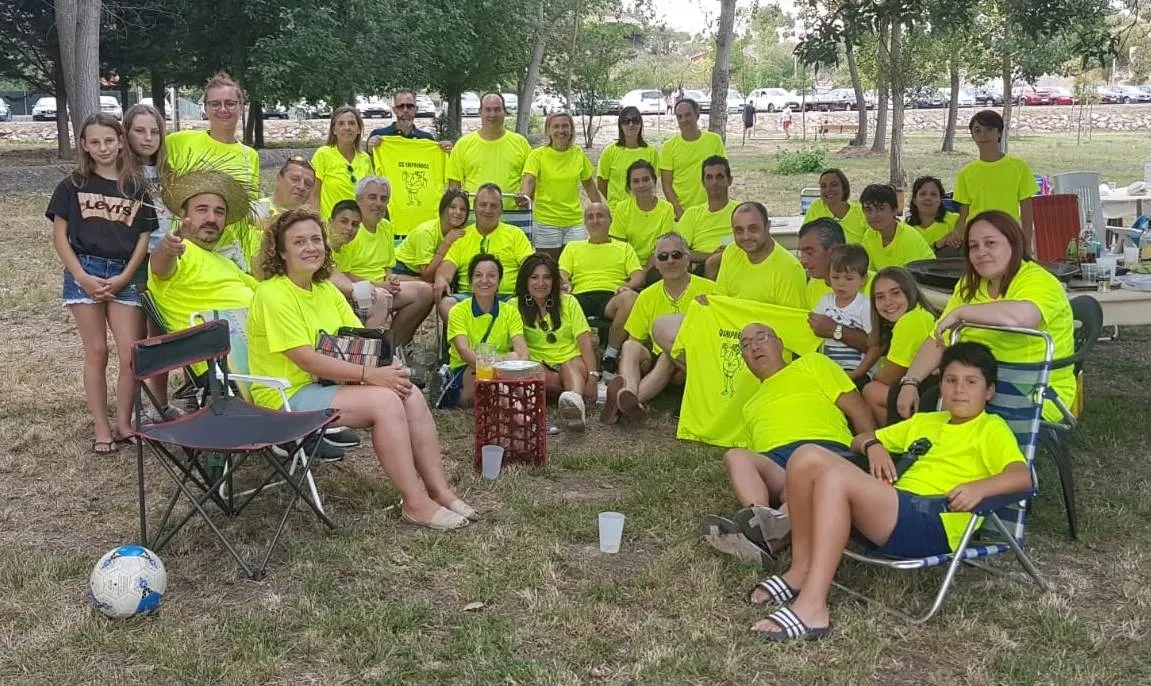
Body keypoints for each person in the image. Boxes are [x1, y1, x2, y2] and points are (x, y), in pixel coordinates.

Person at [745, 342, 1031, 642]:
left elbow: (1022, 477)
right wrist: (873, 446)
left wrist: (981, 487)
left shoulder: (990, 429)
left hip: (933, 521)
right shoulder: (925, 421)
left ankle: (813, 607)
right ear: (941, 385)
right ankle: (800, 570)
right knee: (805, 456)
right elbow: (860, 439)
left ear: (989, 391)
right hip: (895, 509)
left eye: (971, 382)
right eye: (951, 380)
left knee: (835, 477)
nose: (959, 390)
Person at [247, 208, 476, 530]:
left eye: (316, 239)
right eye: (299, 242)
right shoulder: (272, 293)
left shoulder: (325, 289)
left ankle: (440, 491)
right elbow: (305, 359)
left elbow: (359, 341)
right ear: (281, 251)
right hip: (287, 394)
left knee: (407, 391)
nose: (311, 247)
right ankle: (416, 504)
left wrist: (388, 365)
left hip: (326, 382)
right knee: (385, 401)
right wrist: (372, 376)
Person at [708, 323, 876, 562]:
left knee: (797, 489)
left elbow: (858, 410)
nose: (754, 347)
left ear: (779, 344)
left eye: (761, 338)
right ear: (744, 359)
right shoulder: (750, 405)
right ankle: (760, 517)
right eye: (745, 345)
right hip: (777, 461)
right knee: (736, 456)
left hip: (822, 450)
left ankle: (761, 539)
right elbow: (756, 465)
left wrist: (872, 451)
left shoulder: (813, 363)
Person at [897, 211, 1075, 424]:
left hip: (1030, 391)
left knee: (934, 406)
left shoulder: (1038, 280)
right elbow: (939, 337)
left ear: (1014, 244)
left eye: (990, 243)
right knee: (908, 395)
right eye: (973, 246)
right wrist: (910, 381)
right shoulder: (970, 284)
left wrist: (961, 312)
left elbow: (1021, 317)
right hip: (978, 383)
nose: (981, 252)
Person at [49, 113, 154, 454]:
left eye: (109, 140)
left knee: (129, 354)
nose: (103, 147)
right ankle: (101, 427)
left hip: (125, 273)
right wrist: (81, 276)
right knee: (96, 351)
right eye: (94, 142)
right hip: (85, 271)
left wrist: (125, 276)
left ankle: (124, 422)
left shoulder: (136, 186)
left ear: (121, 142)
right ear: (84, 145)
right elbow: (60, 236)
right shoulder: (72, 185)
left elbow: (143, 237)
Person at [601, 232, 714, 423]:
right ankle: (629, 392)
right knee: (629, 346)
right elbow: (635, 340)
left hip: (691, 360)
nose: (670, 261)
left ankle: (629, 401)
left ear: (688, 259)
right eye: (663, 257)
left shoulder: (710, 290)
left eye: (676, 255)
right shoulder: (646, 296)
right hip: (654, 362)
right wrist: (639, 362)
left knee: (669, 353)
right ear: (657, 264)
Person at [165, 72, 258, 267]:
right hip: (186, 249)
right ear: (206, 108)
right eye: (215, 104)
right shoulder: (179, 142)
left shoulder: (249, 156)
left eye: (230, 103)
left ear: (240, 107)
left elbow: (248, 209)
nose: (223, 109)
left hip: (229, 253)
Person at [332, 176, 434, 345]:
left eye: (383, 199)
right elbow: (345, 275)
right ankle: (371, 349)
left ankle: (392, 346)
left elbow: (387, 267)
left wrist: (390, 279)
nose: (378, 203)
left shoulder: (386, 226)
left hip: (382, 287)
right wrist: (380, 285)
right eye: (372, 197)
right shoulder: (350, 229)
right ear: (358, 199)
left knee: (425, 292)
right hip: (359, 291)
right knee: (381, 297)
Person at [123, 103, 173, 412]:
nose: (148, 138)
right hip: (136, 259)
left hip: (165, 257)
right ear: (126, 134)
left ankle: (161, 403)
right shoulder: (121, 175)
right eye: (140, 131)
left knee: (161, 335)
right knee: (136, 338)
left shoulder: (169, 172)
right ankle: (133, 407)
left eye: (154, 131)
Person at [558, 203, 645, 373]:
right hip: (579, 295)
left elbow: (639, 276)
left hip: (611, 296)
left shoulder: (624, 248)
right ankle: (568, 356)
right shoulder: (573, 247)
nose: (595, 221)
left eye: (600, 216)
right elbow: (561, 272)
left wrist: (627, 286)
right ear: (585, 222)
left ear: (610, 220)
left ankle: (610, 355)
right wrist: (565, 282)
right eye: (590, 217)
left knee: (631, 298)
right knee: (557, 299)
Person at [515, 253, 598, 428]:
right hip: (542, 366)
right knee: (536, 371)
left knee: (569, 366)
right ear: (525, 280)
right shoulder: (513, 306)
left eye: (547, 277)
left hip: (573, 362)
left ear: (554, 281)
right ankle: (571, 395)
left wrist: (592, 378)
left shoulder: (569, 302)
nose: (541, 283)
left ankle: (574, 404)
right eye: (534, 277)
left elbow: (585, 342)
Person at [433, 183, 535, 320]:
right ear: (474, 207)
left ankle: (482, 331)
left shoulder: (515, 234)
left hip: (508, 298)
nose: (488, 210)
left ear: (501, 210)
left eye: (493, 206)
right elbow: (447, 266)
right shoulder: (461, 236)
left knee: (524, 306)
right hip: (468, 297)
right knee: (446, 304)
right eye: (483, 204)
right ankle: (477, 332)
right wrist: (441, 279)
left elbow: (530, 265)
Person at [444, 254, 530, 407]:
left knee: (513, 357)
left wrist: (507, 366)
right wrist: (497, 366)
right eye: (478, 275)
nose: (484, 280)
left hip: (502, 368)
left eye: (491, 275)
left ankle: (518, 409)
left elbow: (522, 352)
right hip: (468, 370)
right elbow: (464, 352)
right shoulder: (458, 311)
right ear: (470, 281)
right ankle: (523, 413)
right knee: (496, 380)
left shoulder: (510, 311)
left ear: (499, 281)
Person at [860, 267, 938, 425]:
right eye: (880, 297)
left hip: (932, 394)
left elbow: (892, 375)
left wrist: (872, 377)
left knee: (871, 391)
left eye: (895, 293)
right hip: (924, 387)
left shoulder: (911, 320)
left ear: (909, 292)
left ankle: (890, 437)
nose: (888, 302)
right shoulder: (917, 314)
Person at [951, 110, 1037, 247]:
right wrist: (959, 231)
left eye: (989, 129)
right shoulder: (966, 173)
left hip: (1008, 235)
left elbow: (1027, 212)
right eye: (978, 130)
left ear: (999, 133)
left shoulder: (1019, 167)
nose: (983, 135)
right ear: (972, 136)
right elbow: (964, 213)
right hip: (978, 238)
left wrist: (1026, 244)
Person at [521, 112, 601, 258]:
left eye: (565, 126)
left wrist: (601, 208)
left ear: (571, 129)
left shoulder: (578, 153)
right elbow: (529, 180)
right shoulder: (537, 155)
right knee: (548, 265)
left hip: (574, 222)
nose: (561, 130)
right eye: (556, 126)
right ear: (548, 130)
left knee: (575, 263)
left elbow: (589, 185)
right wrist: (524, 197)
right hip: (546, 222)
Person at [712, 202, 807, 308]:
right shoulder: (732, 251)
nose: (746, 237)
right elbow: (720, 299)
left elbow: (792, 316)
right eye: (739, 231)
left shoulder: (790, 269)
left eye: (753, 229)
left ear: (767, 226)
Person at [812, 244, 877, 385]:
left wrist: (856, 373)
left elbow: (874, 344)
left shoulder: (865, 306)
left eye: (849, 279)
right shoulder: (825, 301)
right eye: (836, 277)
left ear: (863, 279)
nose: (841, 284)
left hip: (856, 370)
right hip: (829, 367)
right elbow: (814, 327)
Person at [446, 92, 531, 196]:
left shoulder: (521, 143)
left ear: (504, 112)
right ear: (480, 112)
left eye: (497, 109)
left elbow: (531, 180)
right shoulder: (463, 145)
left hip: (512, 207)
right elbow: (454, 184)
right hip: (473, 207)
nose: (492, 114)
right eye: (488, 109)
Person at [609, 160, 676, 282]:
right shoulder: (622, 208)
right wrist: (634, 272)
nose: (641, 185)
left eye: (645, 180)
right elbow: (618, 245)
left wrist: (643, 272)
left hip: (655, 265)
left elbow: (661, 247)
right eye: (636, 181)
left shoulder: (667, 209)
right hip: (628, 265)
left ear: (654, 181)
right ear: (629, 186)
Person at [660, 98, 726, 218]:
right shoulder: (668, 147)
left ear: (697, 115)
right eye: (679, 116)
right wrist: (680, 213)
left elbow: (723, 175)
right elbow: (666, 185)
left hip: (711, 210)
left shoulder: (714, 140)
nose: (684, 120)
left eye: (688, 115)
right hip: (682, 212)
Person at [248, 158, 317, 269]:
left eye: (308, 184)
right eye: (295, 179)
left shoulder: (310, 223)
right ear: (279, 178)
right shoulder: (253, 211)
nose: (301, 187)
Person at [677, 155, 739, 278]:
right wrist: (711, 256)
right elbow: (677, 250)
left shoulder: (741, 211)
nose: (714, 182)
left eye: (719, 177)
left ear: (730, 180)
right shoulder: (692, 214)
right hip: (702, 268)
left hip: (737, 264)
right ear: (703, 183)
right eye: (709, 177)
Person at [310, 105, 374, 221]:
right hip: (330, 226)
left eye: (351, 123)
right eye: (341, 124)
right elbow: (313, 195)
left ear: (359, 129)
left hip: (358, 226)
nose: (347, 127)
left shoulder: (365, 158)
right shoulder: (322, 154)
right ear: (334, 130)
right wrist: (317, 224)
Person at [393, 188, 470, 281]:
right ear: (443, 209)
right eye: (452, 207)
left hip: (425, 273)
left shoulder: (461, 232)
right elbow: (427, 276)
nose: (458, 212)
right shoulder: (426, 232)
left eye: (463, 209)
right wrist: (447, 243)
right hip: (402, 268)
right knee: (430, 286)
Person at [859, 183, 934, 270]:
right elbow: (865, 272)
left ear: (894, 211)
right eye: (868, 209)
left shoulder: (908, 238)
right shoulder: (869, 235)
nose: (873, 215)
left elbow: (908, 276)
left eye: (881, 209)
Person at [596, 106, 660, 204]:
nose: (631, 124)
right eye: (626, 121)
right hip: (617, 209)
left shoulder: (651, 152)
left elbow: (652, 183)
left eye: (635, 120)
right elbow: (601, 183)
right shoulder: (609, 152)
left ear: (641, 124)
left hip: (644, 208)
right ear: (620, 126)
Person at [365, 89, 450, 151]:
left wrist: (445, 150)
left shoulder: (427, 139)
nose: (405, 110)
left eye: (410, 106)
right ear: (394, 110)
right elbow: (367, 164)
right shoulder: (379, 136)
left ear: (416, 109)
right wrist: (370, 149)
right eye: (401, 106)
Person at [802, 168, 867, 244]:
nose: (828, 189)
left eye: (834, 185)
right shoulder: (817, 207)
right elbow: (805, 237)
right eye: (823, 186)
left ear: (844, 188)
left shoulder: (862, 212)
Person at [907, 175, 959, 250]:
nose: (928, 198)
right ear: (914, 200)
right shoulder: (906, 228)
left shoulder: (956, 221)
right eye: (922, 194)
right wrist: (937, 245)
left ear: (940, 200)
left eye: (933, 194)